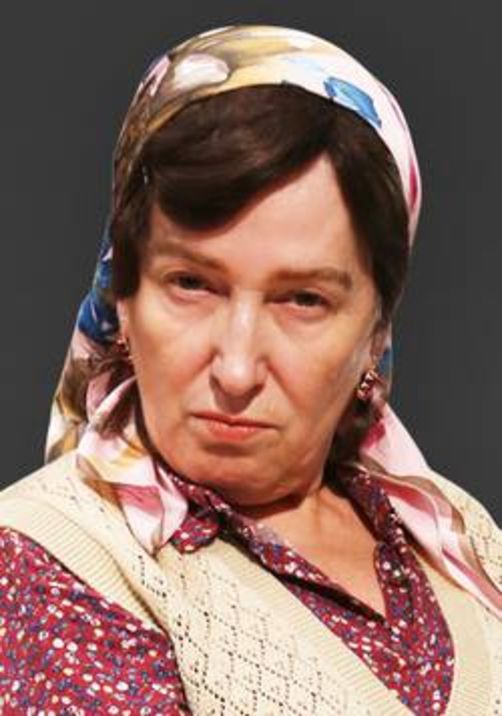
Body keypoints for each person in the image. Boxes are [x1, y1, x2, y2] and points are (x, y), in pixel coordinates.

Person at [0, 23, 500, 715]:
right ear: (121, 295)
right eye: (192, 285)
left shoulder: (458, 535)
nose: (236, 370)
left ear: (376, 329)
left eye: (303, 300)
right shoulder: (51, 564)